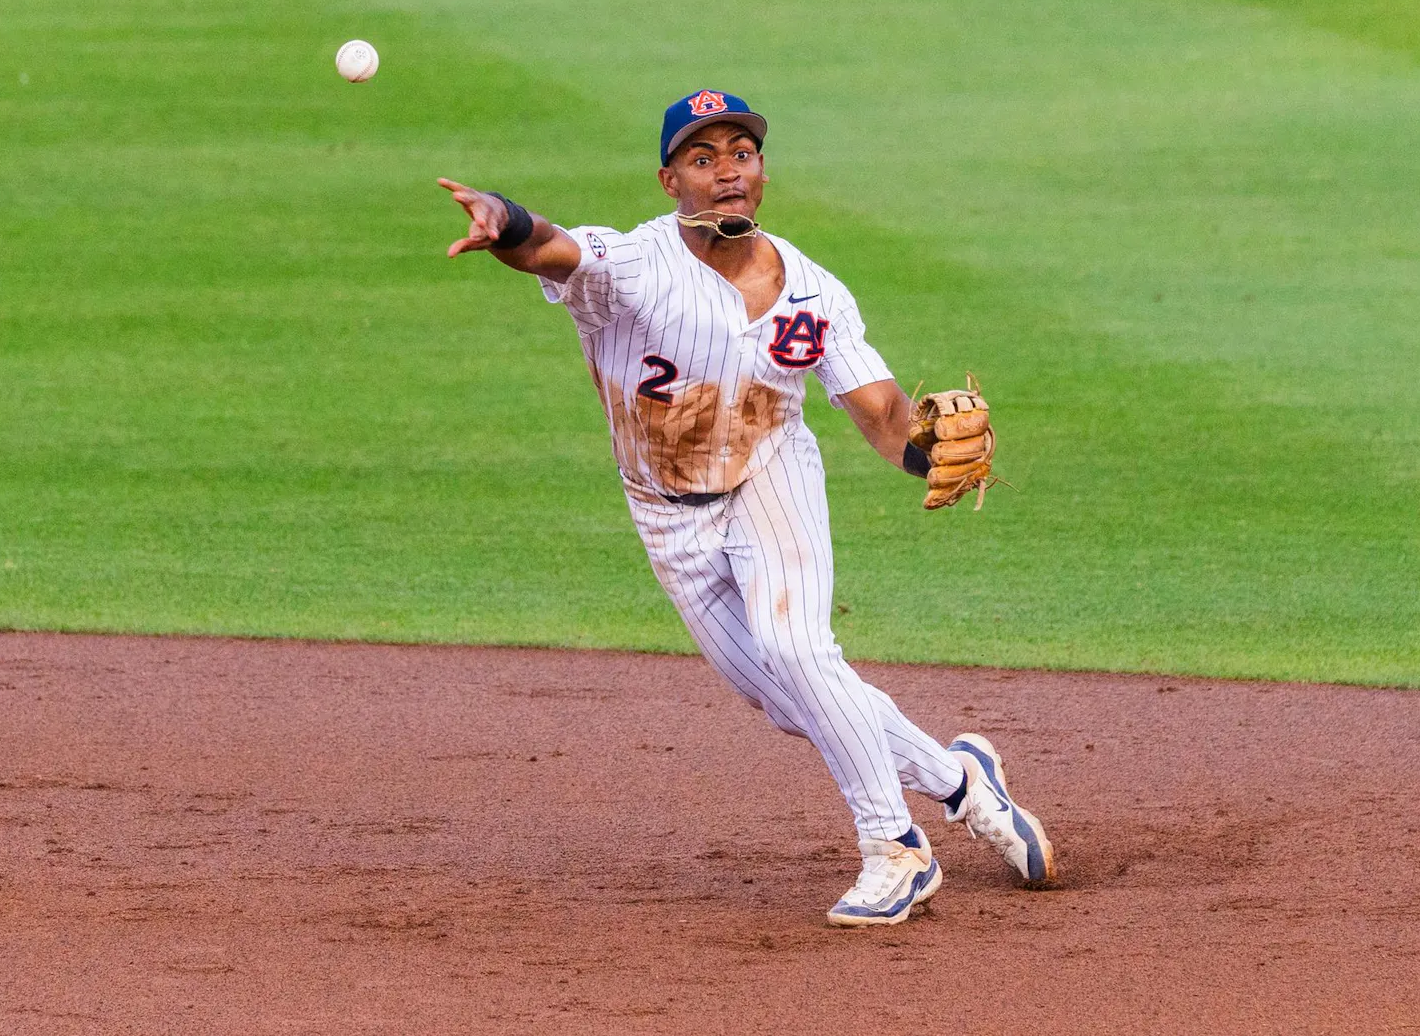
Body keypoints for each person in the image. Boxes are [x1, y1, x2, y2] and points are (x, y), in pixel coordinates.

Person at [436, 89, 1055, 927]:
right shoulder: (634, 268)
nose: (727, 172)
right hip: (667, 511)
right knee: (790, 695)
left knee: (800, 647)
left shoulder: (815, 293)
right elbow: (550, 246)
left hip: (772, 479)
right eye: (703, 158)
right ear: (669, 181)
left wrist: (928, 454)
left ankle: (895, 849)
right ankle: (961, 781)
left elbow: (878, 411)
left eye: (741, 154)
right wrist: (501, 218)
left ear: (761, 171)